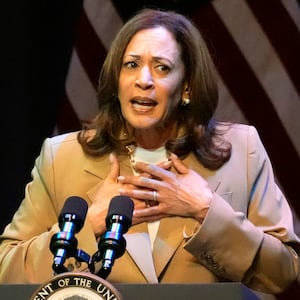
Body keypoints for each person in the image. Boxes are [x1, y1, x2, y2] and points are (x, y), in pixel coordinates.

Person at [0, 8, 299, 296]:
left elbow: (284, 271)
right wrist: (89, 226)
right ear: (117, 81)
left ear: (186, 88)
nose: (144, 80)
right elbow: (6, 270)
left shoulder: (241, 150)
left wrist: (207, 210)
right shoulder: (62, 157)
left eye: (162, 67)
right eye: (131, 65)